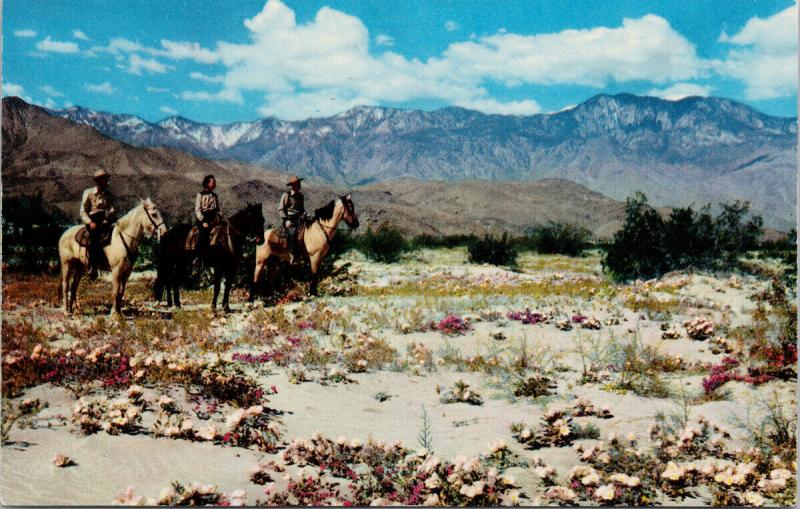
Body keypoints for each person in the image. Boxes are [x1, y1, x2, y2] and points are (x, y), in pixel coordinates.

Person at [80, 169, 116, 280]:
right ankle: (92, 266)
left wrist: (109, 215)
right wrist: (90, 222)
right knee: (95, 237)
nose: (107, 182)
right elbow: (83, 211)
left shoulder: (108, 195)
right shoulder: (89, 192)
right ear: (99, 181)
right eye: (105, 179)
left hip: (104, 219)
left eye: (107, 179)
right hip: (92, 219)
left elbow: (111, 208)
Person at [279, 175, 305, 262]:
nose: (299, 185)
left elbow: (302, 209)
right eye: (298, 183)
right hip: (289, 219)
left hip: (299, 218)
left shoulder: (301, 196)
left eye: (299, 183)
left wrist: (305, 214)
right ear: (293, 185)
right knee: (292, 232)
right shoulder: (286, 195)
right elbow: (281, 209)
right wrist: (286, 220)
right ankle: (292, 253)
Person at [194, 174, 221, 259]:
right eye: (213, 182)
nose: (215, 184)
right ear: (207, 183)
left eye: (215, 182)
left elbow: (217, 209)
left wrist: (220, 214)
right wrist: (203, 222)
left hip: (213, 218)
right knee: (203, 234)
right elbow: (197, 210)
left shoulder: (215, 196)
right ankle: (198, 256)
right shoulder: (200, 195)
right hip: (204, 219)